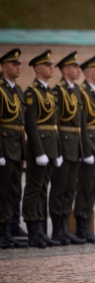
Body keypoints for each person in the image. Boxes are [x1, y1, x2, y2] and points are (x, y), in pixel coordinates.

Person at [22, 49, 62, 247]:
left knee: (42, 190)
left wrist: (57, 151)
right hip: (40, 150)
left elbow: (55, 126)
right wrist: (39, 152)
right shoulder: (32, 93)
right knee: (33, 189)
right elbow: (31, 125)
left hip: (51, 149)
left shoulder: (49, 92)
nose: (52, 67)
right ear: (38, 69)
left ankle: (39, 230)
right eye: (48, 65)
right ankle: (32, 231)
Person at [50, 51, 88, 245]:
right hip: (64, 146)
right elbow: (55, 123)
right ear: (65, 70)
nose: (79, 70)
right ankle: (57, 229)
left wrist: (84, 149)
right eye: (75, 67)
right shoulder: (58, 91)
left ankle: (64, 227)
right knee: (59, 188)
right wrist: (56, 150)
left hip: (75, 147)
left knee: (69, 189)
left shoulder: (76, 91)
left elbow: (80, 124)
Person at [73, 53, 95, 243]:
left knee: (93, 188)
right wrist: (86, 150)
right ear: (88, 72)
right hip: (90, 147)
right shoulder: (83, 92)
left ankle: (86, 226)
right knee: (84, 188)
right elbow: (83, 125)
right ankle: (80, 226)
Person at [0, 48, 28, 249]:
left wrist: (24, 152)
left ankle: (8, 230)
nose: (18, 67)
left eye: (19, 64)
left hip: (17, 148)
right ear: (3, 67)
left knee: (12, 191)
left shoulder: (18, 91)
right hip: (4, 147)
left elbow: (21, 125)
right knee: (2, 191)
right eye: (14, 64)